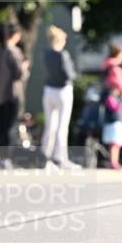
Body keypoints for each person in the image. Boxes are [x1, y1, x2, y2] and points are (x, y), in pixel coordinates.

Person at [0, 21, 29, 168]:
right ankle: (8, 158)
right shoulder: (13, 52)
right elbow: (18, 74)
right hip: (11, 94)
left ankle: (1, 158)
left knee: (1, 127)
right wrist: (25, 67)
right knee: (10, 126)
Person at [41, 25, 78, 168]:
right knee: (62, 125)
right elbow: (69, 74)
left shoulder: (46, 53)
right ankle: (60, 157)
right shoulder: (63, 55)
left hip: (49, 90)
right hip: (63, 91)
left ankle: (45, 154)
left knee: (50, 125)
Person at [100, 42, 122, 170]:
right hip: (115, 103)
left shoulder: (106, 65)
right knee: (116, 132)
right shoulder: (115, 68)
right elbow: (119, 83)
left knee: (113, 130)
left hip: (108, 103)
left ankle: (113, 159)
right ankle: (114, 160)